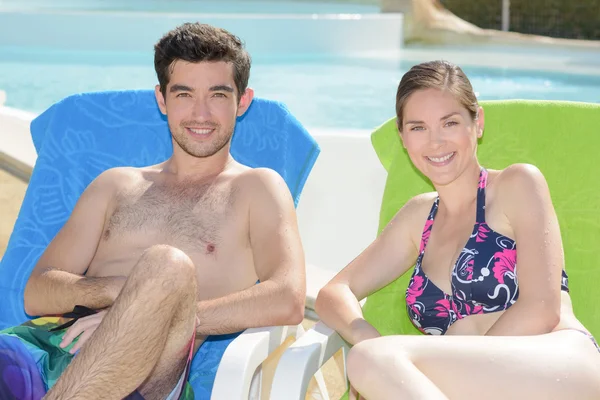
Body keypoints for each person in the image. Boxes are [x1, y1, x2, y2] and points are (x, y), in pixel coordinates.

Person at [0, 22, 305, 400]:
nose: (201, 114)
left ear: (242, 101)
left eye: (218, 95)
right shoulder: (115, 185)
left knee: (167, 266)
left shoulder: (257, 188)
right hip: (39, 348)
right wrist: (118, 294)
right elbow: (37, 292)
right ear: (162, 99)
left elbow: (287, 297)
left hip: (145, 375)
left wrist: (147, 318)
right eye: (184, 94)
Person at [315, 60, 600, 400]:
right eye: (418, 128)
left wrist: (407, 360)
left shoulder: (517, 184)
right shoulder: (418, 216)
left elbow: (542, 308)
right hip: (476, 381)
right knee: (371, 359)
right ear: (403, 138)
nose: (435, 142)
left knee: (369, 363)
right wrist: (372, 341)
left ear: (477, 123)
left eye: (449, 123)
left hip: (556, 362)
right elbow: (335, 292)